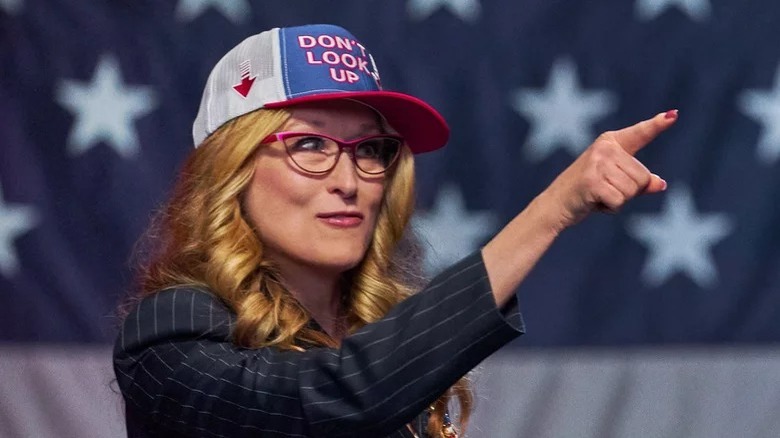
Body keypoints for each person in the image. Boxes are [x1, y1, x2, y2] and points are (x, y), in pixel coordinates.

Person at [113, 24, 676, 438]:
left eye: (371, 150)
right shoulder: (168, 332)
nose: (349, 180)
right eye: (310, 145)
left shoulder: (379, 333)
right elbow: (329, 400)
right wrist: (551, 209)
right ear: (231, 172)